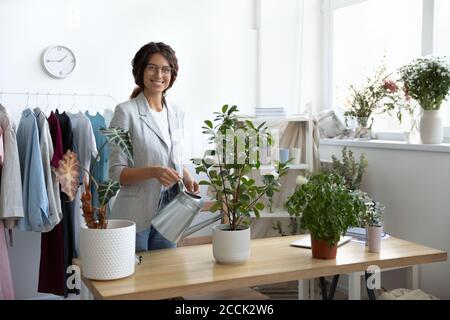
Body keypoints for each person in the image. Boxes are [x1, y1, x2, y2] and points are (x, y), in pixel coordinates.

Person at [109, 42, 199, 252]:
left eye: (166, 69)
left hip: (172, 212)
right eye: (152, 67)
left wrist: (185, 175)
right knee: (134, 281)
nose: (159, 74)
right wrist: (153, 172)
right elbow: (115, 173)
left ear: (172, 74)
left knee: (164, 278)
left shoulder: (176, 113)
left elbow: (171, 155)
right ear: (141, 70)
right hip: (135, 215)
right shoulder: (125, 112)